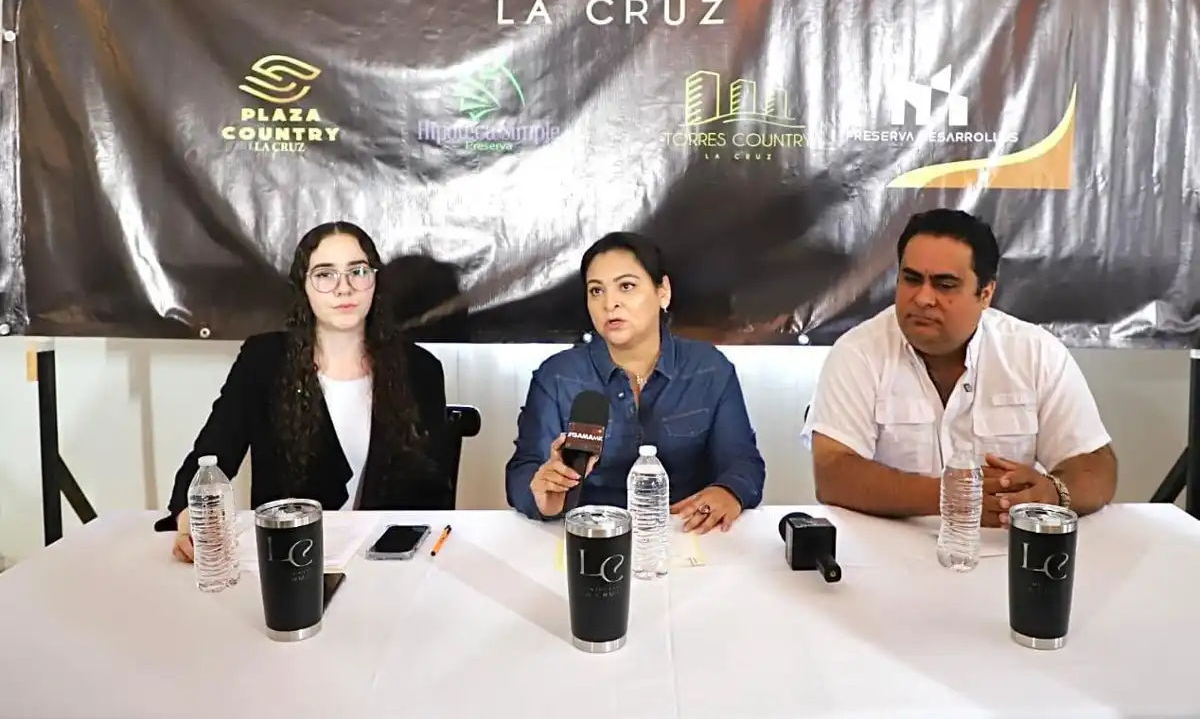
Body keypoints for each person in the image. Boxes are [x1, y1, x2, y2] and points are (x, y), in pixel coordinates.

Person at [804, 209, 1117, 527]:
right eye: (912, 279)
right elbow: (832, 474)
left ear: (985, 294)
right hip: (885, 549)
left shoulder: (1035, 353)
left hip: (1004, 545)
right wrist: (953, 497)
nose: (923, 298)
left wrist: (1053, 493)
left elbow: (1095, 465)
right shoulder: (857, 352)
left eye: (945, 285)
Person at [157, 221, 451, 561]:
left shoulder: (421, 369)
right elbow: (211, 457)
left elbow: (434, 494)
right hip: (290, 559)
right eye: (325, 275)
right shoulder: (263, 361)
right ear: (304, 286)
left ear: (375, 281)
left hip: (392, 563)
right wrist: (189, 524)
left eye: (357, 272)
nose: (344, 289)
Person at [505, 232, 766, 533]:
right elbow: (522, 473)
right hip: (590, 537)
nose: (610, 303)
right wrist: (543, 496)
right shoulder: (558, 377)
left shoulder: (709, 369)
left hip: (683, 535)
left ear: (663, 292)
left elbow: (743, 462)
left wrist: (729, 491)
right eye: (596, 291)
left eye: (626, 286)